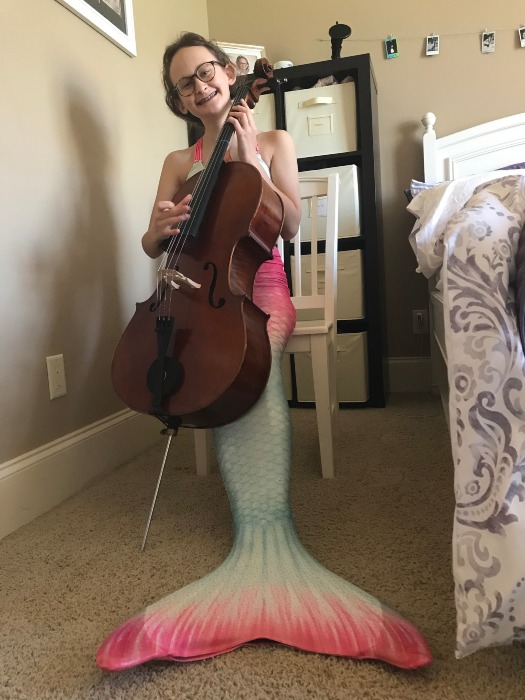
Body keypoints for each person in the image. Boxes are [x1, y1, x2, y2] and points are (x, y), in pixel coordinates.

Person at [97, 31, 431, 672]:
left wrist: (249, 158)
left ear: (228, 72)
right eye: (184, 83)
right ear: (179, 100)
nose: (200, 86)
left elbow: (292, 223)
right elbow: (153, 243)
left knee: (237, 357)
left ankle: (266, 538)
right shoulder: (177, 160)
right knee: (204, 358)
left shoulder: (274, 141)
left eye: (205, 71)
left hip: (261, 285)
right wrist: (157, 228)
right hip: (192, 289)